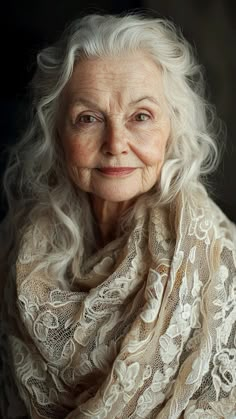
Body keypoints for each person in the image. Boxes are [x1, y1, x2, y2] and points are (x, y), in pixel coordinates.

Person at [0, 13, 235, 419]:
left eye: (141, 116)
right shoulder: (14, 243)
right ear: (58, 133)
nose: (115, 144)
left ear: (173, 128)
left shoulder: (219, 261)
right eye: (88, 118)